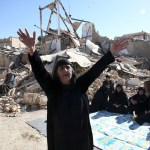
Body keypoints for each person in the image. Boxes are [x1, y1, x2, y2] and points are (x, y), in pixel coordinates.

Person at [17, 28, 128, 150]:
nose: (65, 70)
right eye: (61, 68)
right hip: (61, 141)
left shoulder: (80, 86)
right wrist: (32, 50)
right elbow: (40, 72)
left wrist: (110, 54)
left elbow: (94, 70)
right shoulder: (52, 90)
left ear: (72, 71)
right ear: (57, 73)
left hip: (81, 140)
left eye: (67, 67)